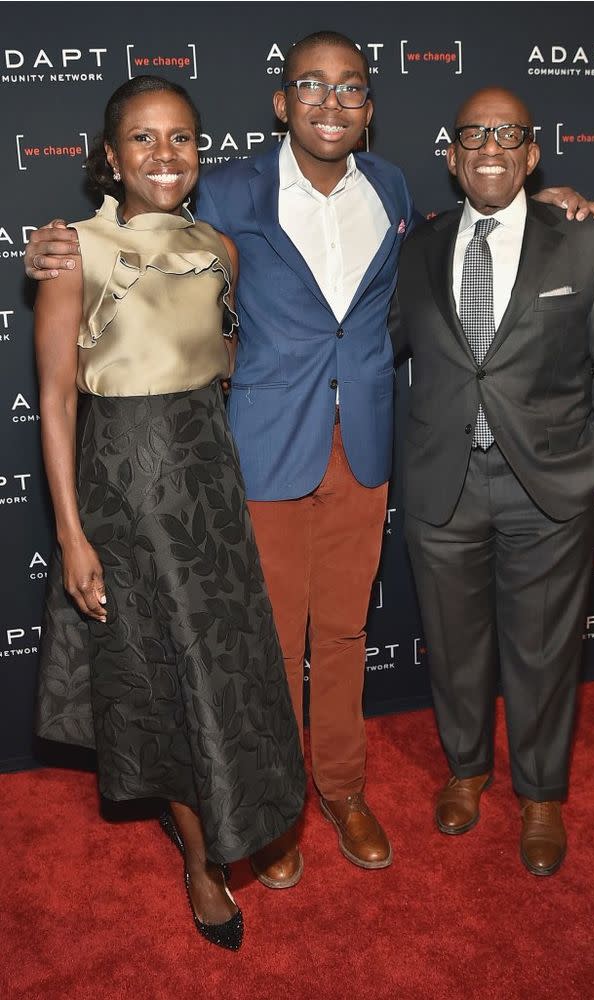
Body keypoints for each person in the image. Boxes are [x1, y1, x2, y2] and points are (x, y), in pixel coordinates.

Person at [26, 32, 594, 888]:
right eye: (312, 86)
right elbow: (141, 244)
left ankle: (342, 789)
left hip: (363, 447)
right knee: (262, 644)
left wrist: (550, 203)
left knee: (341, 634)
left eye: (351, 89)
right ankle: (275, 804)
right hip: (257, 450)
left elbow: (455, 248)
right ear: (280, 102)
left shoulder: (396, 188)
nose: (331, 103)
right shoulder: (221, 189)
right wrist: (54, 247)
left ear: (369, 110)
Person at [33, 75, 305, 949]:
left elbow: (223, 358)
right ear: (108, 156)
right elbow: (57, 402)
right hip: (126, 496)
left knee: (219, 675)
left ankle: (222, 820)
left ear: (200, 151)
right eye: (142, 139)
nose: (164, 155)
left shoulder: (219, 247)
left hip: (209, 493)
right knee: (163, 682)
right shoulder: (73, 251)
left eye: (181, 138)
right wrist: (73, 536)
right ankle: (200, 860)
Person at [391, 87, 594, 876]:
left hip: (549, 491)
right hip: (444, 488)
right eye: (474, 134)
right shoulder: (418, 249)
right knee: (455, 647)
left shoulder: (585, 243)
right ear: (453, 156)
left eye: (509, 134)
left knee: (542, 653)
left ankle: (541, 795)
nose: (491, 146)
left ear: (532, 155)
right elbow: (369, 348)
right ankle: (467, 771)